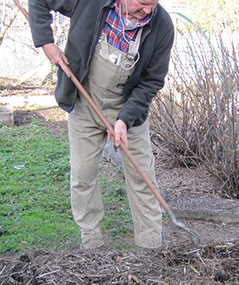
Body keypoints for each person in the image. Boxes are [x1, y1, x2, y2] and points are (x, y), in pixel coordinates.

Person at [29, 0, 175, 249]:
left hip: (127, 106)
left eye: (153, 4)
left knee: (142, 175)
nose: (148, 10)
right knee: (83, 175)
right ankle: (92, 241)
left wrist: (124, 119)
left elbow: (151, 81)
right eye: (143, 3)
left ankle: (151, 243)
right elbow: (39, 2)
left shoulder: (161, 25)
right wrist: (46, 42)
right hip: (84, 99)